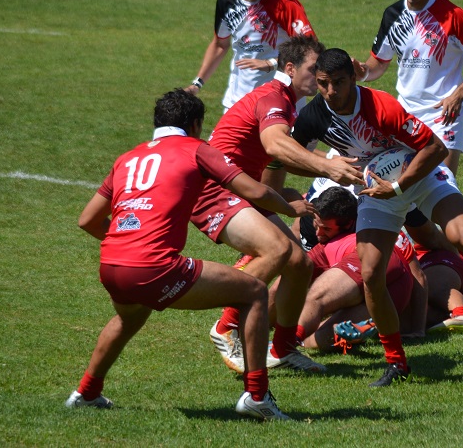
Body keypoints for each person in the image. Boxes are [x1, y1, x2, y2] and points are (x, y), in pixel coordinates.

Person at [292, 48, 463, 386]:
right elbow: (285, 155)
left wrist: (397, 186)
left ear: (353, 77)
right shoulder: (313, 115)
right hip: (378, 190)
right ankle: (397, 363)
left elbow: (436, 149)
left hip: (420, 175)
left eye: (338, 83)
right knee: (370, 273)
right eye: (323, 84)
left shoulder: (381, 106)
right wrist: (323, 165)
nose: (331, 92)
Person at [64, 89, 317, 421]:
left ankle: (85, 393)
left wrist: (124, 243)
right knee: (254, 292)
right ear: (196, 124)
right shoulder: (196, 149)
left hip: (112, 265)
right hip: (154, 266)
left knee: (129, 317)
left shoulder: (127, 157)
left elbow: (87, 220)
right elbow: (255, 191)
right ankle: (257, 396)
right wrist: (290, 206)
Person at [190, 36, 364, 374]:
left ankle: (283, 347)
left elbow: (284, 157)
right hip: (214, 190)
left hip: (240, 188)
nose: (321, 77)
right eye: (314, 70)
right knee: (280, 251)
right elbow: (275, 145)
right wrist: (329, 164)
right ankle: (226, 326)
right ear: (290, 68)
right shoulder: (273, 97)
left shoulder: (286, 101)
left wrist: (325, 164)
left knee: (300, 263)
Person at [268, 186, 427, 353]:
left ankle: (282, 349)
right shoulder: (384, 231)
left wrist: (261, 319)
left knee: (315, 298)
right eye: (317, 225)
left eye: (326, 229)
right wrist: (418, 329)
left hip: (374, 267)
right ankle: (358, 331)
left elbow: (282, 285)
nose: (318, 234)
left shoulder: (333, 245)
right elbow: (418, 277)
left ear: (348, 223)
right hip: (394, 294)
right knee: (316, 339)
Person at [186, 0, 317, 195]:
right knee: (224, 175)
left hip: (280, 103)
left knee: (269, 179)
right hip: (239, 101)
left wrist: (271, 64)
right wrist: (198, 83)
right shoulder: (227, 1)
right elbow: (220, 44)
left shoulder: (285, 4)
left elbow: (310, 49)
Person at [352, 0, 463, 177]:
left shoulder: (454, 15)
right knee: (402, 183)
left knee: (442, 183)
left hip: (443, 114)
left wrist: (458, 96)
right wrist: (362, 72)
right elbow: (379, 62)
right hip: (405, 114)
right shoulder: (393, 14)